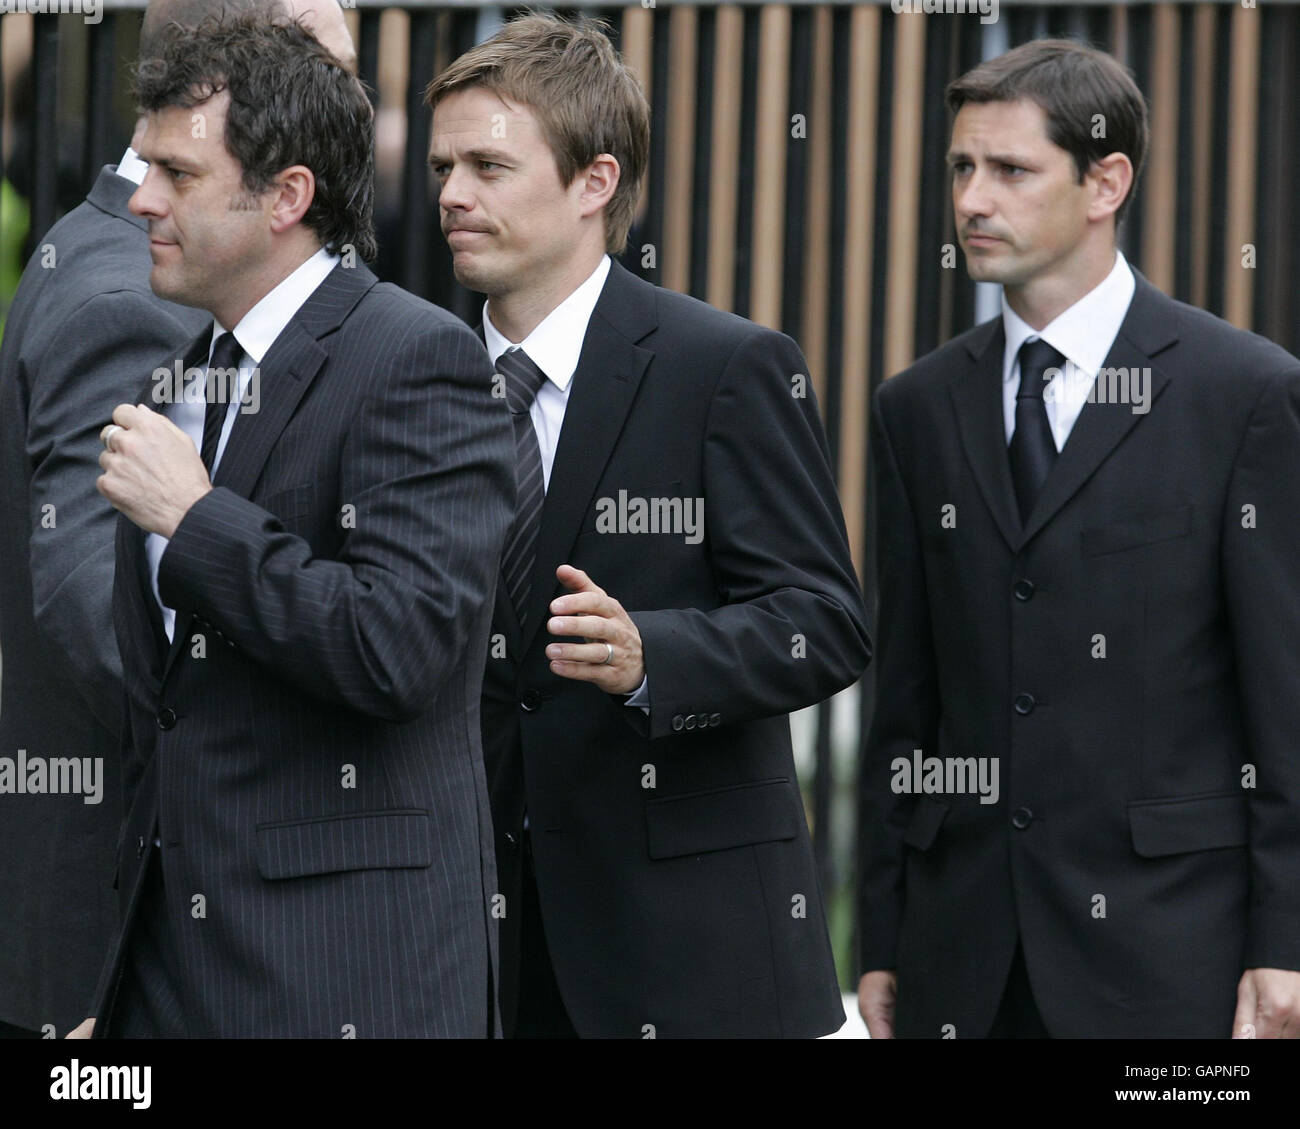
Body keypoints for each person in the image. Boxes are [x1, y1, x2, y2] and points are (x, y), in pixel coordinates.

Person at [427, 13, 871, 1039]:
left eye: (489, 165)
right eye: (446, 164)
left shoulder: (725, 367)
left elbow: (825, 621)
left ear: (594, 181)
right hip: (474, 947)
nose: (452, 193)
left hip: (689, 953)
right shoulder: (417, 378)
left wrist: (650, 657)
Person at [75, 11, 514, 1038]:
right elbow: (174, 712)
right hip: (175, 985)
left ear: (287, 196)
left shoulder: (418, 359)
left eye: (177, 176)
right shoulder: (187, 373)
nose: (140, 201)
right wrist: (126, 992)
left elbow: (397, 648)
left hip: (340, 982)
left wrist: (193, 519)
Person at [858, 38, 1300, 1039]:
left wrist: (1287, 941)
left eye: (1010, 170)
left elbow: (1286, 698)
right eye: (961, 168)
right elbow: (906, 703)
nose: (972, 199)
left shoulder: (1244, 393)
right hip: (961, 953)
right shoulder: (915, 408)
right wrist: (880, 938)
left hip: (1169, 953)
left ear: (1106, 181)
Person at [0, 0, 336, 1040]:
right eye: (327, 69)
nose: (353, 106)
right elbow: (95, 607)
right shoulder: (138, 290)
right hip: (136, 934)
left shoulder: (148, 258)